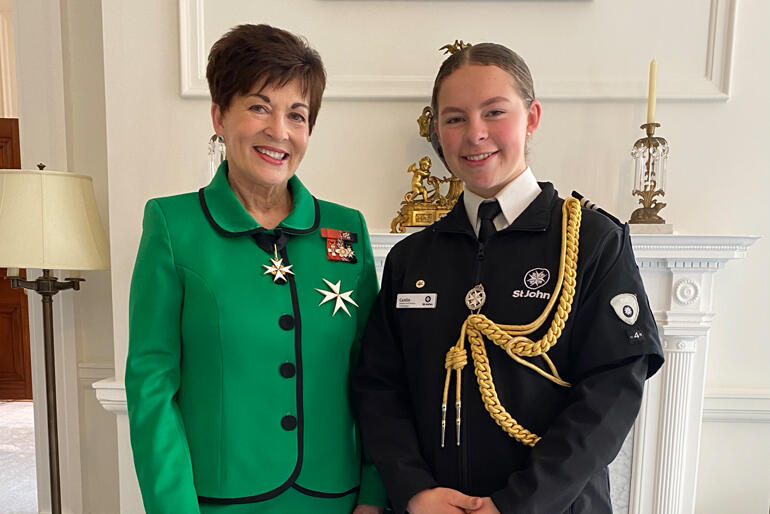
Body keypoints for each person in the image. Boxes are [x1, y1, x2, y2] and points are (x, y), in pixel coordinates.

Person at [353, 43, 664, 514]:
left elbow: (612, 391)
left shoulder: (593, 240)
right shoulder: (410, 259)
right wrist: (413, 489)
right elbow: (379, 387)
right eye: (454, 118)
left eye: (494, 112)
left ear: (531, 116)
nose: (475, 134)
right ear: (437, 131)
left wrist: (518, 505)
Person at [125, 24, 386, 514]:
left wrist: (374, 495)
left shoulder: (345, 229)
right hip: (216, 503)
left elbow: (373, 376)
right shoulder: (172, 225)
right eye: (259, 106)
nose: (279, 131)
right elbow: (151, 387)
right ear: (219, 116)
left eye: (298, 114)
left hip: (337, 501)